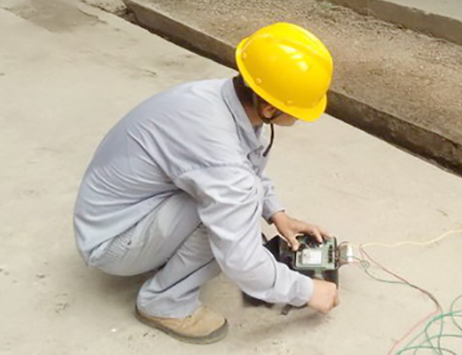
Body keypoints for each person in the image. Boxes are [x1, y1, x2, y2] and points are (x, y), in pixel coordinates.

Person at [73, 22, 339, 344]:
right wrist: (306, 290)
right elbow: (239, 257)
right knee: (228, 218)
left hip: (115, 216)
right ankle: (163, 303)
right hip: (112, 244)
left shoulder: (218, 99)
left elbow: (243, 164)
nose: (300, 117)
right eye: (298, 110)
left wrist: (277, 213)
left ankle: (164, 259)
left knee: (238, 199)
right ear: (269, 108)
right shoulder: (218, 149)